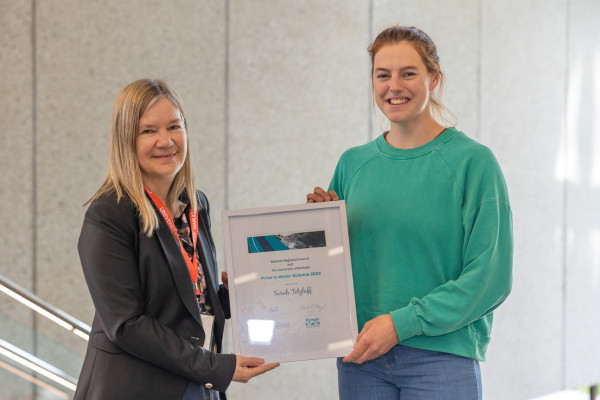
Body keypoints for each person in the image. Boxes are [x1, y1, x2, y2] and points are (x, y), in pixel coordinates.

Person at [307, 25, 513, 399]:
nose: (393, 86)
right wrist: (316, 234)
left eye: (408, 73)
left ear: (433, 78)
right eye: (382, 75)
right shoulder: (352, 164)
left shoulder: (472, 162)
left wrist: (401, 324)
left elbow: (491, 276)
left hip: (442, 357)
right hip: (361, 358)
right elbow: (333, 269)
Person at [75, 78, 278, 400]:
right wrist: (216, 367)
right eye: (148, 131)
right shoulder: (109, 213)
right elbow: (126, 324)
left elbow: (187, 303)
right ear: (126, 139)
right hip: (136, 387)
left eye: (174, 126)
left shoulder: (194, 204)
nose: (166, 141)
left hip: (194, 382)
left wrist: (232, 295)